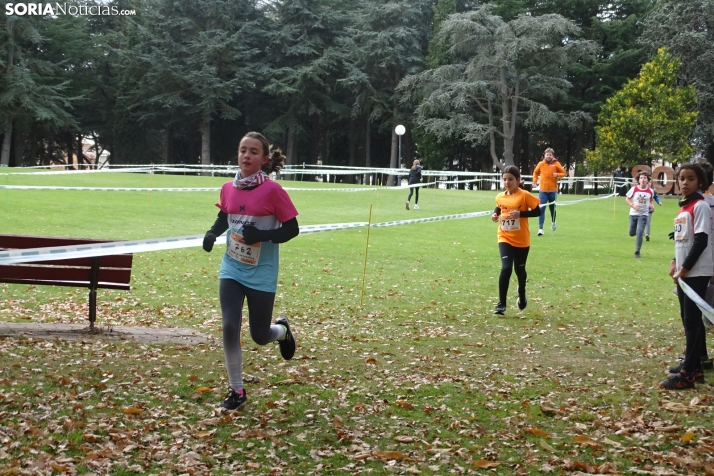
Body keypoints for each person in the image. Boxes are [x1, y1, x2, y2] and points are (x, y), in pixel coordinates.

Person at [203, 132, 300, 410]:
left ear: (264, 159)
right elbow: (225, 215)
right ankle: (237, 392)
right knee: (229, 326)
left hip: (261, 272)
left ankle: (281, 331)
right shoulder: (228, 187)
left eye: (253, 152)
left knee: (259, 335)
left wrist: (262, 235)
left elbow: (292, 229)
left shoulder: (273, 191)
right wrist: (212, 233)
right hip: (231, 269)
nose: (246, 155)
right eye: (242, 150)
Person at [661, 163, 713, 389]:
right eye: (681, 178)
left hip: (696, 272)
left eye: (690, 179)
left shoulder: (700, 205)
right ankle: (695, 367)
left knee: (692, 321)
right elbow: (683, 239)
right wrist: (675, 262)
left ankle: (689, 372)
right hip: (684, 273)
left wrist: (685, 269)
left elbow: (701, 240)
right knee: (688, 320)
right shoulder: (684, 207)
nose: (685, 183)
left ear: (700, 182)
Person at [491, 165, 542, 315]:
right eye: (505, 179)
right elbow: (498, 207)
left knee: (520, 270)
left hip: (521, 240)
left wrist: (520, 214)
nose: (507, 182)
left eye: (510, 180)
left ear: (518, 180)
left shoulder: (524, 195)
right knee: (506, 267)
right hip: (504, 237)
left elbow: (538, 211)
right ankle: (501, 304)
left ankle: (522, 294)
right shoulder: (500, 196)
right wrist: (495, 215)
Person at [532, 148, 566, 236]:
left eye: (550, 155)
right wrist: (534, 182)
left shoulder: (556, 164)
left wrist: (557, 175)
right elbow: (535, 173)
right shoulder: (541, 164)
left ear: (553, 156)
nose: (548, 156)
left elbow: (564, 173)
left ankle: (553, 222)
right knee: (541, 208)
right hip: (543, 190)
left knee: (552, 208)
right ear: (544, 155)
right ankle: (540, 228)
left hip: (553, 191)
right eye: (547, 155)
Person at [626, 172, 655, 258]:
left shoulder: (650, 191)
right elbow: (627, 199)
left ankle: (637, 251)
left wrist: (652, 206)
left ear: (648, 180)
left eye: (645, 178)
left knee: (639, 232)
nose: (643, 179)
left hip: (643, 215)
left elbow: (650, 200)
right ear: (638, 180)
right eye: (641, 178)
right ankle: (635, 232)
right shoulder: (634, 189)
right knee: (632, 233)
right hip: (633, 214)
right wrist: (633, 205)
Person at [644, 175, 662, 241]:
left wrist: (659, 202)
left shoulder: (652, 191)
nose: (649, 184)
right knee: (642, 222)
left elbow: (656, 197)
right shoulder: (642, 190)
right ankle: (641, 233)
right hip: (641, 209)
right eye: (648, 182)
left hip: (649, 209)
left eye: (650, 182)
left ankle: (647, 234)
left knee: (648, 222)